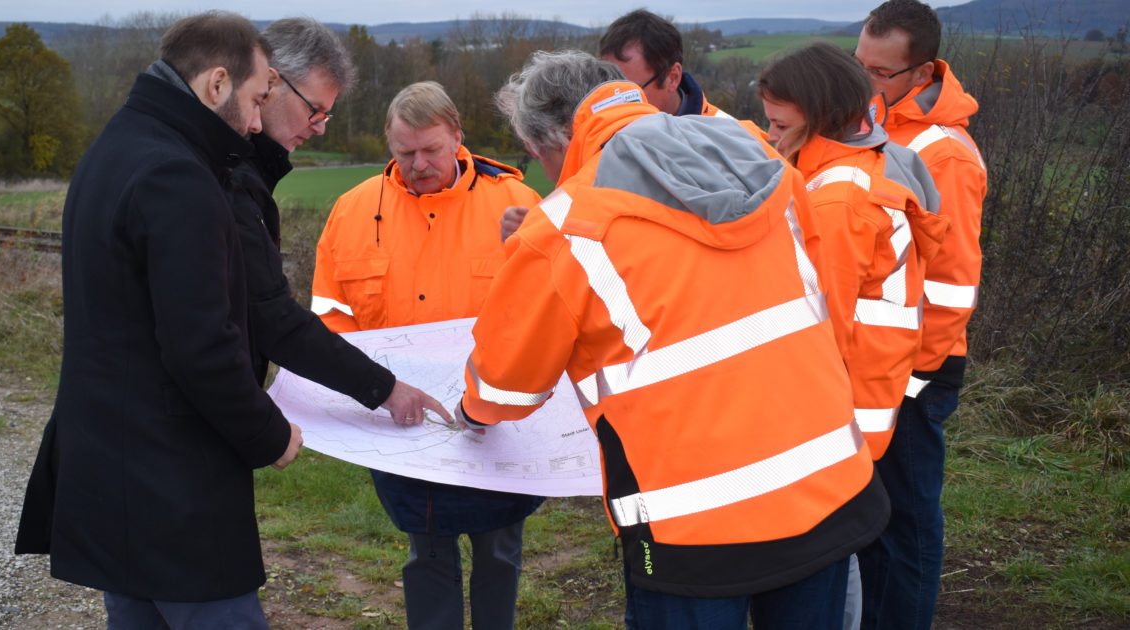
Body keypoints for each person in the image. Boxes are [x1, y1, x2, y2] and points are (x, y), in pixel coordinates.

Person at [457, 49, 890, 630]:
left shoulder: (564, 224)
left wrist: (468, 409)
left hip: (697, 532)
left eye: (537, 159)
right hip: (830, 485)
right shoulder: (753, 151)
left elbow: (503, 388)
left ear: (549, 144)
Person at [15, 11, 299, 628]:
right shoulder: (179, 176)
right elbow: (200, 347)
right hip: (172, 489)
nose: (257, 124)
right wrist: (271, 435)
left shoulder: (113, 149)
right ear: (215, 85)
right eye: (254, 101)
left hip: (107, 472)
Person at [310, 81, 544, 630]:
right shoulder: (352, 211)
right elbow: (330, 320)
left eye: (431, 149)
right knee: (427, 551)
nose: (418, 164)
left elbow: (553, 312)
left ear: (457, 137)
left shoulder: (518, 205)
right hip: (401, 418)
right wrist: (367, 392)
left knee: (499, 551)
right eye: (404, 152)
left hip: (495, 417)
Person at [757, 40, 949, 630]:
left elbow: (823, 321)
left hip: (845, 400)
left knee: (832, 554)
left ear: (816, 116)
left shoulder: (837, 198)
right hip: (865, 391)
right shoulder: (859, 166)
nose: (771, 134)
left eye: (779, 123)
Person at [229, 17, 447, 429]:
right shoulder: (228, 178)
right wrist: (383, 388)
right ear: (270, 84)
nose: (321, 128)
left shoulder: (241, 170)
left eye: (327, 115)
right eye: (315, 111)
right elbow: (272, 317)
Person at [853, 2, 988, 629]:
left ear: (923, 71)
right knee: (871, 523)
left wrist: (910, 381)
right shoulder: (878, 118)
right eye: (860, 66)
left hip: (913, 372)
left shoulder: (946, 155)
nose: (866, 82)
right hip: (877, 365)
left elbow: (952, 287)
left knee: (905, 525)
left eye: (880, 73)